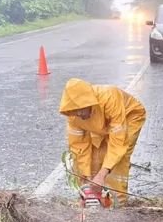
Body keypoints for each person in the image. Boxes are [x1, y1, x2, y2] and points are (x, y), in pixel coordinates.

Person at [59, 78, 147, 206]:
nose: (79, 114)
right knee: (93, 159)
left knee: (117, 161)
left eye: (81, 110)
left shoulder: (110, 98)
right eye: (75, 111)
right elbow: (79, 148)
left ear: (89, 103)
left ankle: (118, 203)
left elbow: (118, 143)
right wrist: (88, 177)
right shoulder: (74, 115)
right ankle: (97, 199)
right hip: (101, 124)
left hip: (129, 117)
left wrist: (101, 175)